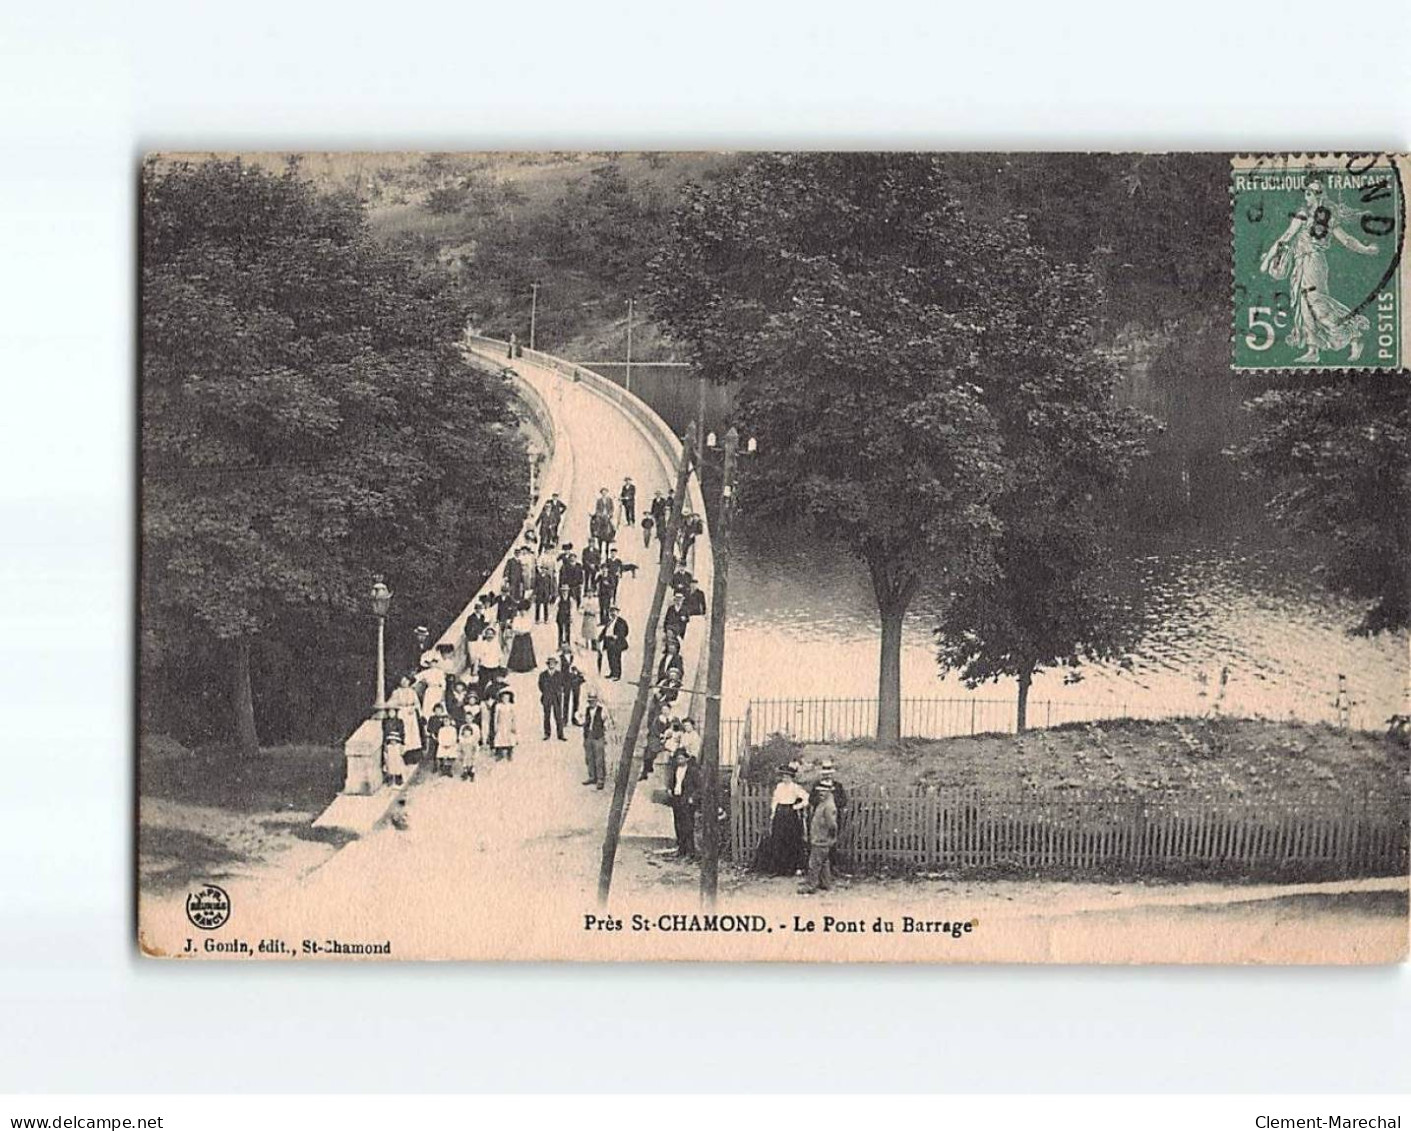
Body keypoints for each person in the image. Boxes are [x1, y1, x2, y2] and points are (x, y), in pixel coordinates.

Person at [1260, 178, 1379, 364]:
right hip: (1301, 264)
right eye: (1307, 193)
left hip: (1314, 262)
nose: (1307, 196)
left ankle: (1355, 335)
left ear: (1318, 195)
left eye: (1311, 193)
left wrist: (1365, 250)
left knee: (1316, 303)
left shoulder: (1326, 217)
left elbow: (1346, 239)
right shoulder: (1303, 214)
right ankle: (1313, 349)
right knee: (1303, 304)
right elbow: (1286, 237)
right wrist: (1268, 259)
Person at [754, 762, 809, 876]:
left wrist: (795, 807)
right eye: (783, 776)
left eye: (787, 776)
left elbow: (806, 798)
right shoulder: (779, 786)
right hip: (780, 814)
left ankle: (791, 868)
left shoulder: (795, 787)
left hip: (790, 815)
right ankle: (779, 869)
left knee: (791, 841)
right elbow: (775, 800)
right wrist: (773, 813)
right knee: (778, 840)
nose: (785, 778)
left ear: (791, 777)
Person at [800, 781, 838, 894]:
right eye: (820, 790)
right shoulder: (823, 803)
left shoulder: (829, 806)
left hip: (821, 838)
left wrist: (829, 837)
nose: (821, 793)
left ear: (830, 791)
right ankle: (826, 883)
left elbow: (832, 825)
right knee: (824, 861)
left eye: (824, 790)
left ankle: (811, 885)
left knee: (814, 863)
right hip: (819, 837)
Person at [667, 745, 702, 860]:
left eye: (682, 758)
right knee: (678, 825)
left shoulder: (692, 771)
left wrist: (693, 797)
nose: (679, 761)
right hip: (677, 799)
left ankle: (690, 852)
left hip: (687, 801)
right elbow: (672, 782)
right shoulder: (675, 770)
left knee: (688, 826)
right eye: (678, 759)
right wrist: (669, 789)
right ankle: (681, 850)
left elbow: (699, 787)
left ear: (686, 759)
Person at [580, 690, 611, 789]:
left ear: (596, 701)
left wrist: (604, 733)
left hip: (598, 736)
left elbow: (607, 723)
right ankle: (592, 776)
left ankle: (600, 779)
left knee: (599, 758)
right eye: (589, 701)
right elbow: (581, 719)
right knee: (589, 757)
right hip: (588, 735)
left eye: (593, 701)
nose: (591, 703)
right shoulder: (586, 710)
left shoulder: (602, 710)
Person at [388, 675, 423, 758]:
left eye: (406, 681)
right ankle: (404, 752)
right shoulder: (396, 692)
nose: (404, 683)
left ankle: (413, 752)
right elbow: (390, 703)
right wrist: (397, 706)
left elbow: (417, 703)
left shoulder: (412, 692)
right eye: (403, 681)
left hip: (411, 713)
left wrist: (413, 708)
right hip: (402, 712)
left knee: (412, 732)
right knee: (404, 731)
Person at [538, 656, 567, 741]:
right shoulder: (543, 675)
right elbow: (540, 685)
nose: (552, 665)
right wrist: (545, 692)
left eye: (553, 663)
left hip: (556, 697)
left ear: (555, 665)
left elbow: (563, 685)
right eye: (550, 663)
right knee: (546, 716)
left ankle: (560, 735)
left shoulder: (559, 674)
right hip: (547, 697)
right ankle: (547, 734)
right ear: (548, 665)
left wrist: (558, 692)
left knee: (558, 716)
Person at [599, 606, 630, 680]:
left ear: (617, 612)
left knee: (616, 658)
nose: (612, 613)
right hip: (608, 641)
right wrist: (600, 638)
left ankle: (617, 675)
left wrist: (618, 636)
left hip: (616, 642)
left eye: (614, 611)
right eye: (611, 611)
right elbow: (605, 631)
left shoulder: (621, 622)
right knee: (610, 658)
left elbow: (625, 631)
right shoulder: (610, 621)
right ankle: (612, 673)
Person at [507, 603, 538, 673]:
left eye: (524, 610)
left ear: (526, 611)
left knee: (526, 651)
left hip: (526, 636)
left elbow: (530, 627)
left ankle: (527, 666)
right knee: (517, 651)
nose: (522, 612)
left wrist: (524, 631)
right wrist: (518, 631)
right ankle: (516, 666)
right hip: (518, 636)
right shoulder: (516, 618)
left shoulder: (529, 619)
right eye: (521, 611)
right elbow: (514, 627)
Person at [490, 688, 518, 761]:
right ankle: (499, 753)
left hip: (508, 724)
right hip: (501, 723)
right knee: (500, 737)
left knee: (509, 737)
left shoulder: (511, 706)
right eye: (504, 698)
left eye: (507, 698)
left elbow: (514, 716)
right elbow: (495, 716)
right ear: (501, 698)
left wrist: (513, 725)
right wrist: (495, 725)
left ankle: (509, 752)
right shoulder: (498, 706)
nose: (505, 699)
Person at [560, 653, 585, 725]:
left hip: (575, 682)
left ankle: (575, 719)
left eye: (567, 643)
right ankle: (564, 720)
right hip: (566, 682)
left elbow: (582, 668)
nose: (566, 646)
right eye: (563, 643)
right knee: (566, 700)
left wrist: (580, 678)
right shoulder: (560, 658)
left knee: (576, 700)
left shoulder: (576, 656)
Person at [579, 591, 600, 656]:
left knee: (593, 632)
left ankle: (594, 646)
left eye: (591, 592)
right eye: (588, 592)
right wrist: (584, 611)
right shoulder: (584, 600)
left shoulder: (596, 600)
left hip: (592, 617)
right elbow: (580, 609)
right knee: (586, 632)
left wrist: (594, 612)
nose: (590, 594)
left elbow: (598, 609)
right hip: (586, 617)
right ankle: (587, 644)